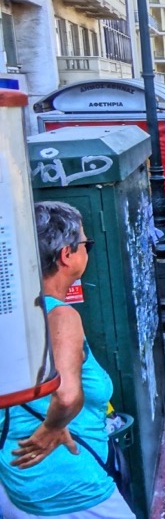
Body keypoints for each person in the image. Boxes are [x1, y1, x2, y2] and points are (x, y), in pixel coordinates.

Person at [0, 201, 134, 518]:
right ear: (66, 255)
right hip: (73, 484)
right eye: (86, 243)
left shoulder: (10, 316)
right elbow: (67, 394)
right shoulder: (61, 316)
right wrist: (52, 428)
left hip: (16, 482)